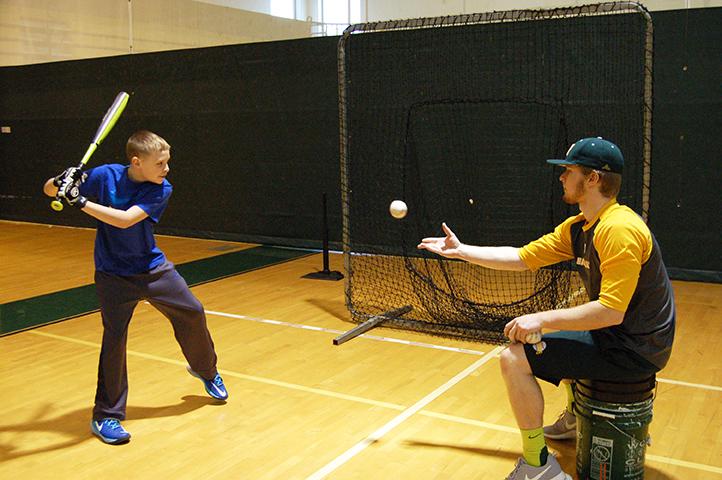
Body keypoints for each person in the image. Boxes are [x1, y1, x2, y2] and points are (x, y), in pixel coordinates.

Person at [418, 137, 675, 480]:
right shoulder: (580, 227)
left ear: (593, 178)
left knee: (513, 358)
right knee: (559, 333)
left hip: (635, 349)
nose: (561, 178)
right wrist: (462, 250)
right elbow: (522, 257)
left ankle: (538, 466)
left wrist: (539, 317)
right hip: (620, 337)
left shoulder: (619, 230)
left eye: (568, 171)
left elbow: (611, 311)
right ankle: (575, 416)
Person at [43, 130, 228, 445]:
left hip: (153, 270)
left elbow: (125, 220)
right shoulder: (104, 176)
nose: (166, 169)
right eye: (160, 163)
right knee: (114, 341)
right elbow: (49, 189)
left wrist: (81, 201)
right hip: (113, 275)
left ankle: (206, 370)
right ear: (136, 162)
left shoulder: (161, 188)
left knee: (193, 313)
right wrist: (64, 179)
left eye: (167, 162)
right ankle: (106, 416)